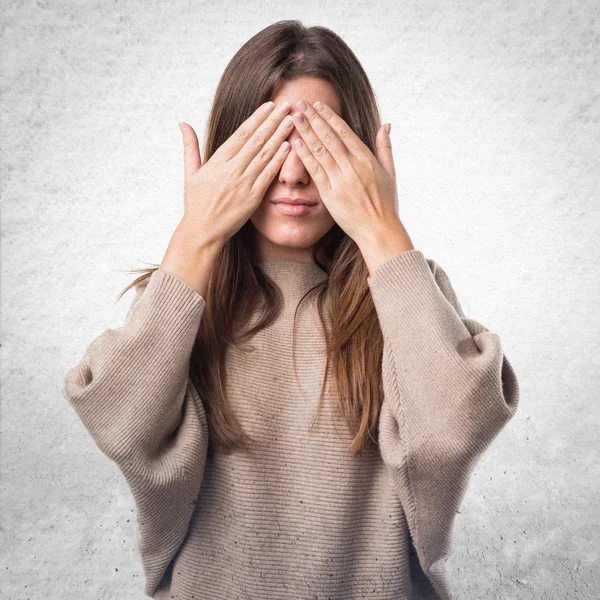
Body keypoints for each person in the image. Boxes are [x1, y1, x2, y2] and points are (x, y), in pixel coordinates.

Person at [62, 20, 520, 600]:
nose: (295, 173)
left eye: (318, 143)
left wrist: (382, 231)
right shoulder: (181, 298)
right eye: (270, 142)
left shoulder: (404, 290)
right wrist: (197, 234)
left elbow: (458, 427)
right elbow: (120, 421)